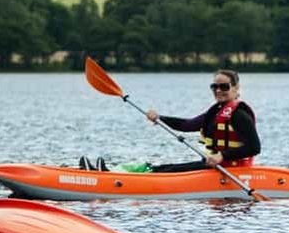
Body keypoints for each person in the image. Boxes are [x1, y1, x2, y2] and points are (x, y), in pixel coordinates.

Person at [80, 69, 260, 173]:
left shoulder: (239, 114)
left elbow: (254, 147)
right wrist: (160, 118)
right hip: (214, 166)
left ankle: (112, 177)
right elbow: (187, 125)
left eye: (224, 87)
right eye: (215, 86)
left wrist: (222, 155)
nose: (218, 90)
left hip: (231, 170)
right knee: (163, 167)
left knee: (167, 171)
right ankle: (112, 173)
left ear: (236, 88)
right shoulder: (216, 111)